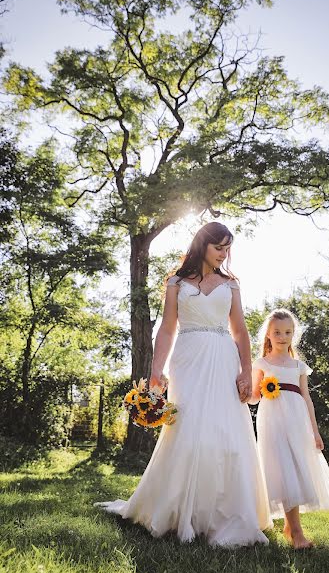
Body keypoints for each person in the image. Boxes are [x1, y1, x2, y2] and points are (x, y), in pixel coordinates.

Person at [95, 222, 271, 546]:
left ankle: (224, 513)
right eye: (219, 246)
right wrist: (156, 370)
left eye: (228, 248)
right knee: (187, 431)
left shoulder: (231, 285)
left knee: (225, 432)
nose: (224, 253)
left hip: (222, 360)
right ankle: (179, 512)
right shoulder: (176, 282)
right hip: (187, 360)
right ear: (202, 244)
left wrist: (246, 371)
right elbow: (166, 328)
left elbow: (241, 332)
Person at [250, 308, 329, 549]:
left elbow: (307, 399)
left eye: (288, 332)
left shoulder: (298, 366)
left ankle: (290, 526)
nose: (282, 336)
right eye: (277, 332)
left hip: (297, 421)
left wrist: (314, 431)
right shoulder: (261, 363)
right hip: (271, 420)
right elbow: (252, 397)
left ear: (294, 335)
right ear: (268, 335)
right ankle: (297, 534)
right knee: (281, 468)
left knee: (295, 468)